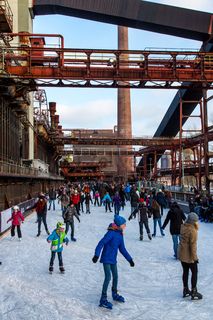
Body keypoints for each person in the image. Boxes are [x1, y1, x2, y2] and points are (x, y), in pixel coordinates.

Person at [92, 215, 135, 309]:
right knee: (108, 277)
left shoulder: (120, 235)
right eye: (124, 224)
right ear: (119, 225)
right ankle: (103, 299)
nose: (125, 226)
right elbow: (101, 243)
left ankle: (114, 294)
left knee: (115, 276)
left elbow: (122, 249)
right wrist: (96, 255)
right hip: (106, 258)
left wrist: (130, 259)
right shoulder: (110, 233)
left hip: (113, 259)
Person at [178, 212, 202, 300]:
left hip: (182, 253)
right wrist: (195, 258)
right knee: (194, 272)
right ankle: (194, 291)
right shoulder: (192, 230)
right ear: (193, 221)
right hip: (189, 255)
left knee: (185, 271)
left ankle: (185, 289)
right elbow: (193, 246)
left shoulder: (183, 226)